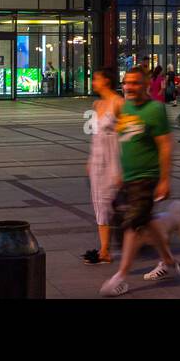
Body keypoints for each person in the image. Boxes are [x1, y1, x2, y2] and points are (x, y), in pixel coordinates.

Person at [99, 68, 180, 296]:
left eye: (135, 83)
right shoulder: (124, 107)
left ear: (145, 84)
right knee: (147, 221)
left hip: (147, 177)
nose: (129, 87)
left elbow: (165, 146)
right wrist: (117, 171)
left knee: (133, 225)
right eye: (127, 83)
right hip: (128, 177)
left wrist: (164, 180)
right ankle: (168, 262)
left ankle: (121, 277)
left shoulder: (155, 109)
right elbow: (122, 140)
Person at [82, 66, 123, 265]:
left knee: (114, 204)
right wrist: (90, 160)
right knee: (100, 205)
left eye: (96, 78)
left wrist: (121, 166)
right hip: (98, 161)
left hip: (113, 161)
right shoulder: (97, 104)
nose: (93, 82)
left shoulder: (118, 102)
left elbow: (126, 134)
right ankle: (104, 249)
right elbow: (96, 136)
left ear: (106, 81)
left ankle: (146, 237)